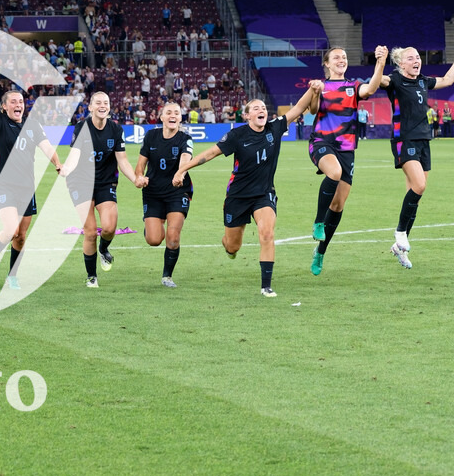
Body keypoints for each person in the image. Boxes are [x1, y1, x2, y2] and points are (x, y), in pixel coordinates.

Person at [173, 82, 322, 297]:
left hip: (263, 194)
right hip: (238, 196)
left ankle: (266, 285)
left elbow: (299, 107)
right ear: (247, 116)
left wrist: (313, 88)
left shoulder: (275, 128)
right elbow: (210, 154)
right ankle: (228, 245)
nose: (261, 110)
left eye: (263, 108)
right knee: (233, 246)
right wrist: (183, 170)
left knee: (267, 233)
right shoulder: (237, 136)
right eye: (256, 109)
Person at [0, 47, 62, 290]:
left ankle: (12, 275)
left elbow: (46, 147)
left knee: (21, 236)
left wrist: (57, 163)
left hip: (27, 187)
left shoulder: (32, 126)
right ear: (3, 107)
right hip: (3, 184)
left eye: (21, 102)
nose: (18, 105)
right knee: (11, 229)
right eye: (13, 102)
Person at [307, 45, 386, 276]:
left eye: (344, 57)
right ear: (327, 64)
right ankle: (318, 222)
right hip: (321, 142)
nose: (341, 60)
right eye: (336, 57)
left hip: (347, 148)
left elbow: (371, 88)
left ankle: (320, 251)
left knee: (338, 204)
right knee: (334, 172)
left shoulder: (353, 86)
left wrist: (380, 62)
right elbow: (312, 110)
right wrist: (315, 91)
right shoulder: (320, 84)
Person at [379, 47, 454, 269]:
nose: (416, 60)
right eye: (410, 58)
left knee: (415, 197)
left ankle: (399, 247)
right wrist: (380, 62)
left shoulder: (423, 81)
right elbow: (378, 81)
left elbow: (448, 80)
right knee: (419, 185)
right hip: (405, 140)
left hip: (424, 142)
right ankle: (401, 231)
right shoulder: (394, 80)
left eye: (418, 57)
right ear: (400, 63)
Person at [59, 91, 138, 288]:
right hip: (80, 182)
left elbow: (123, 160)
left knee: (109, 228)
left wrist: (135, 179)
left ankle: (104, 249)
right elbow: (74, 154)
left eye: (106, 102)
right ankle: (91, 276)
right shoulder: (81, 127)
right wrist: (66, 168)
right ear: (91, 107)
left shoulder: (116, 129)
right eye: (98, 103)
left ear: (109, 107)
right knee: (90, 231)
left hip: (106, 182)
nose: (103, 105)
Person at [133, 101, 193, 288]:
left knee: (173, 236)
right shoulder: (151, 136)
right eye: (169, 112)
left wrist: (180, 173)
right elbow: (141, 163)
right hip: (153, 192)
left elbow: (186, 159)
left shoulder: (185, 138)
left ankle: (167, 276)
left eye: (176, 112)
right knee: (154, 240)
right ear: (162, 117)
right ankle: (152, 225)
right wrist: (139, 176)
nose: (173, 115)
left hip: (177, 191)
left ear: (180, 117)